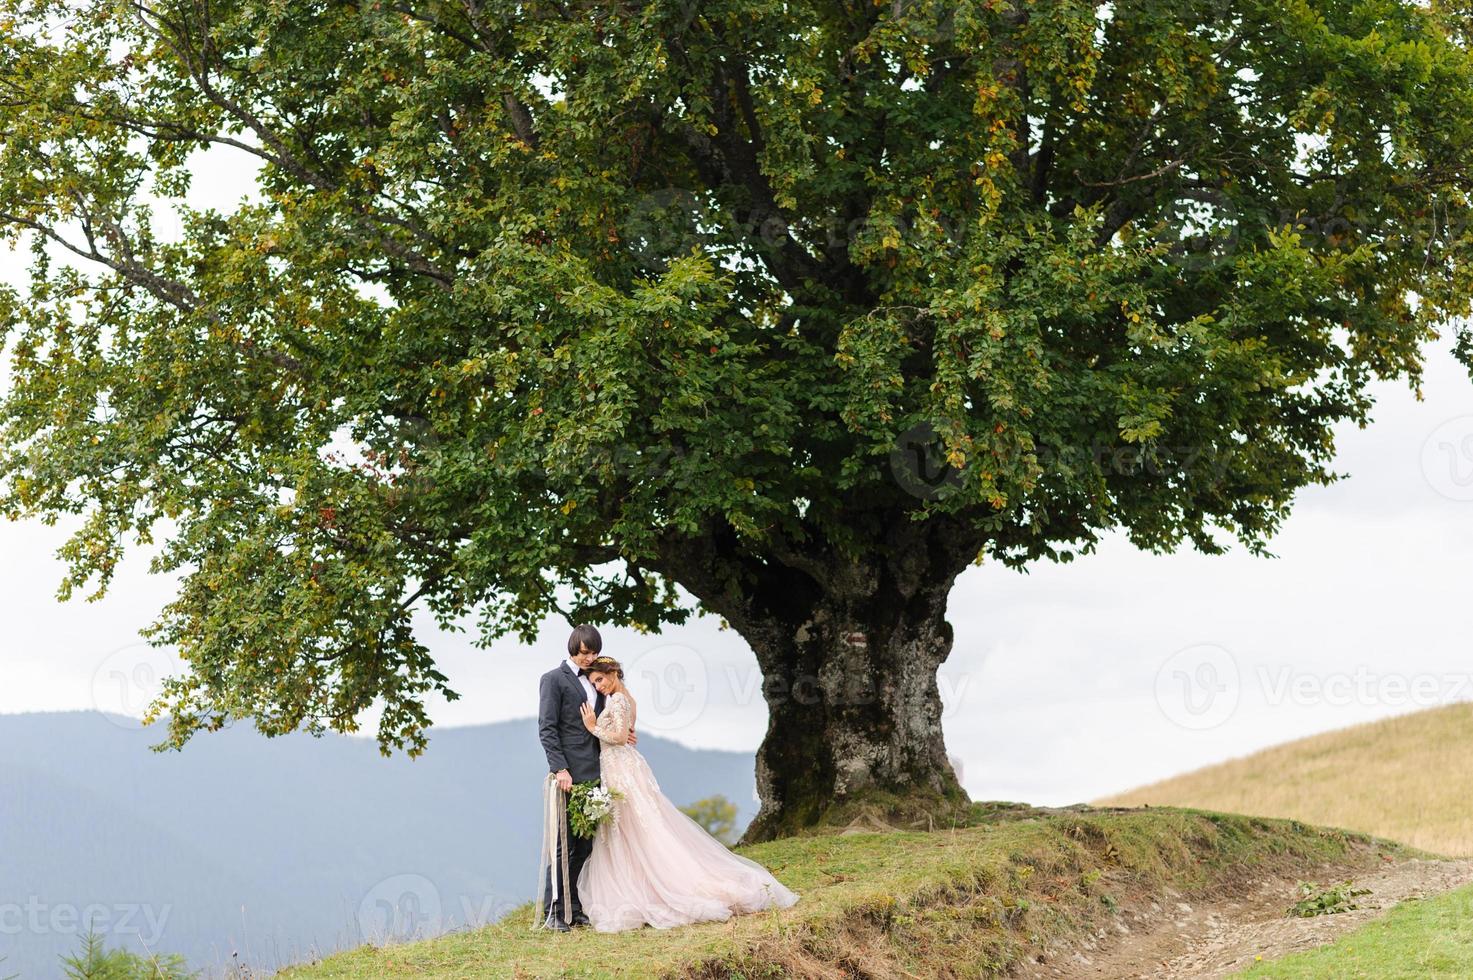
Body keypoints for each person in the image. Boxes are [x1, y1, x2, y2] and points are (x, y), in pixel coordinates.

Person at [573, 654, 800, 932]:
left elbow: (620, 737)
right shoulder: (627, 698)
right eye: (594, 683)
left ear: (613, 673)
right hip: (624, 766)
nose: (598, 687)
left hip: (621, 768)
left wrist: (592, 726)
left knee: (635, 827)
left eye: (600, 680)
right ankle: (644, 883)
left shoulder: (618, 700)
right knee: (640, 827)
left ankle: (657, 887)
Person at [535, 624, 638, 931]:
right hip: (569, 774)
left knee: (586, 844)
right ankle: (555, 911)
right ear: (572, 649)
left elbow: (610, 716)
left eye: (593, 652)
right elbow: (547, 728)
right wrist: (559, 768)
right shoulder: (553, 680)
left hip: (599, 772)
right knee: (563, 843)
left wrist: (623, 734)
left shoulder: (597, 682)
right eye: (584, 653)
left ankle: (576, 907)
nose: (588, 658)